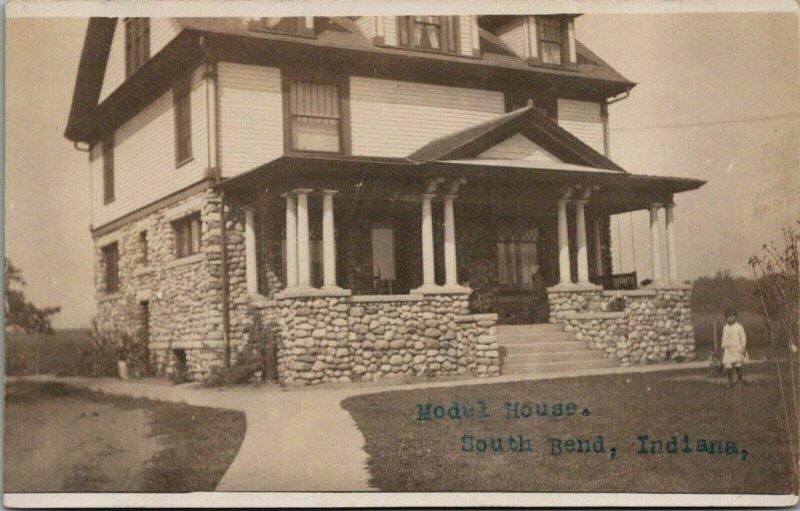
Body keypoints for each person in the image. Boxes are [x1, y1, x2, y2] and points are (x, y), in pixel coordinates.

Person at [721, 308, 747, 388]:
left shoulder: (739, 327)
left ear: (735, 317)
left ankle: (740, 381)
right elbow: (724, 337)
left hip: (736, 348)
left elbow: (743, 337)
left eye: (731, 317)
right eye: (728, 317)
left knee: (737, 364)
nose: (730, 319)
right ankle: (730, 381)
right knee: (727, 365)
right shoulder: (725, 327)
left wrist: (743, 347)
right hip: (728, 349)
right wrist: (723, 346)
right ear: (726, 318)